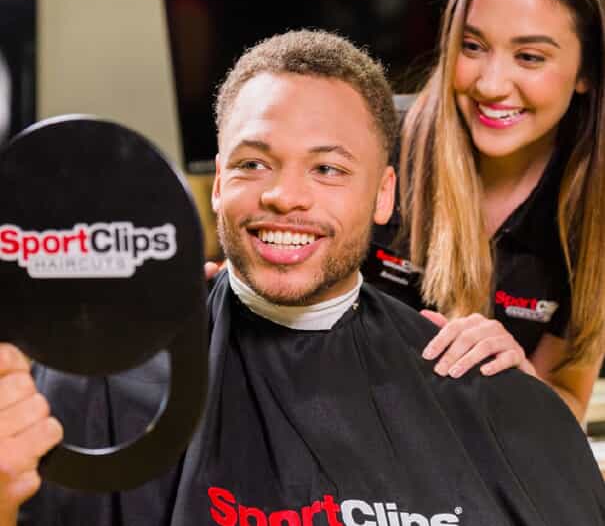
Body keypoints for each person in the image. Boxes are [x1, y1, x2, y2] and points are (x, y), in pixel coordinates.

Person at [3, 30, 605, 525]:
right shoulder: (105, 383)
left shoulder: (482, 389)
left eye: (327, 168)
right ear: (218, 183)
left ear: (383, 194)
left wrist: (520, 404)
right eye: (253, 163)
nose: (284, 195)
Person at [364, 0, 605, 423]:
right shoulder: (373, 147)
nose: (491, 84)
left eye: (529, 57)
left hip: (486, 472)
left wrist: (520, 384)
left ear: (588, 71)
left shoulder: (595, 207)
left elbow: (566, 407)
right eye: (472, 47)